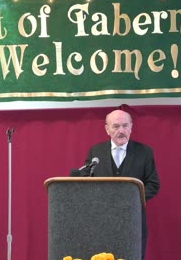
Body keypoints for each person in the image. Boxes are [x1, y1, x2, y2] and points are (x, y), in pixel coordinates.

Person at [71, 109, 160, 260]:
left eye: (125, 126)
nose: (121, 131)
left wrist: (132, 200)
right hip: (101, 222)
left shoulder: (145, 152)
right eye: (116, 126)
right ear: (107, 129)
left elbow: (153, 184)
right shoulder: (96, 152)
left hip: (133, 222)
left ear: (131, 127)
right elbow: (86, 180)